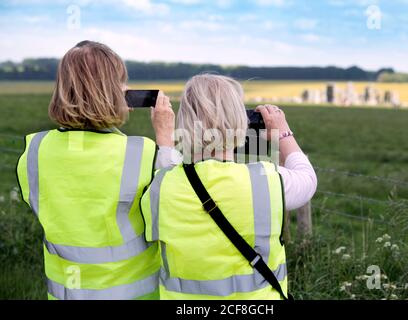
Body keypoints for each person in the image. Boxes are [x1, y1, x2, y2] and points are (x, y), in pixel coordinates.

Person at [16, 41, 176, 300]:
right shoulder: (141, 152)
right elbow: (174, 209)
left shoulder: (35, 149)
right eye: (121, 83)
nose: (127, 90)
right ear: (109, 90)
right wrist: (166, 140)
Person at [140, 74, 317, 300]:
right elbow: (307, 178)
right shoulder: (267, 181)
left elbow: (166, 166)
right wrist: (282, 133)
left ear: (184, 122)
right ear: (240, 121)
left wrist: (164, 136)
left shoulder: (162, 184)